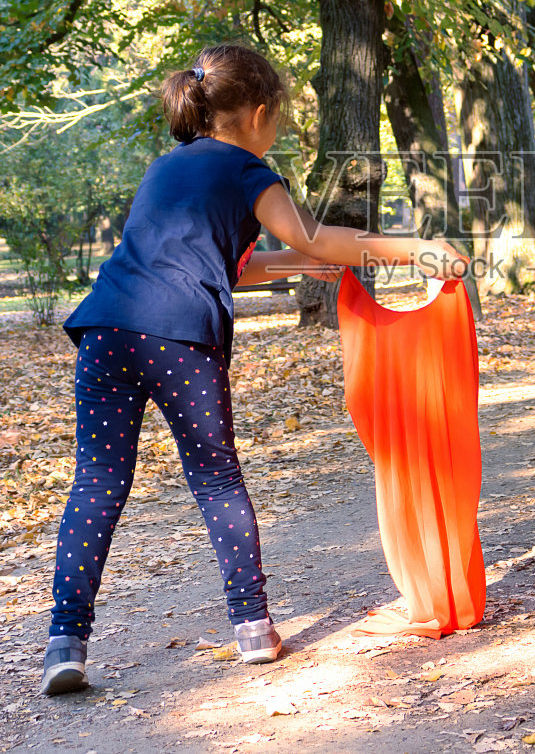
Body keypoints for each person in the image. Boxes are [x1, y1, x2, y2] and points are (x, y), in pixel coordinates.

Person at [41, 44, 467, 696]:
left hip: (107, 328)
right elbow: (315, 237)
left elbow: (226, 261)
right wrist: (418, 250)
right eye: (280, 122)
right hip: (179, 337)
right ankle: (252, 626)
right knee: (215, 479)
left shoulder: (165, 170)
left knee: (97, 484)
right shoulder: (249, 171)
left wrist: (300, 263)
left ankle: (64, 641)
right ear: (260, 114)